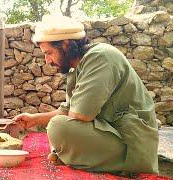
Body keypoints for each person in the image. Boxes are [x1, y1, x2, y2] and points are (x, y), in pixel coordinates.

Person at [13, 15, 159, 174]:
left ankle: (128, 167)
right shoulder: (78, 67)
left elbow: (80, 115)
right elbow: (69, 110)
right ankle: (72, 155)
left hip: (131, 142)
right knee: (57, 128)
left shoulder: (100, 57)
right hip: (110, 131)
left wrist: (62, 127)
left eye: (49, 53)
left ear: (65, 44)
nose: (47, 61)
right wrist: (34, 119)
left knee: (58, 127)